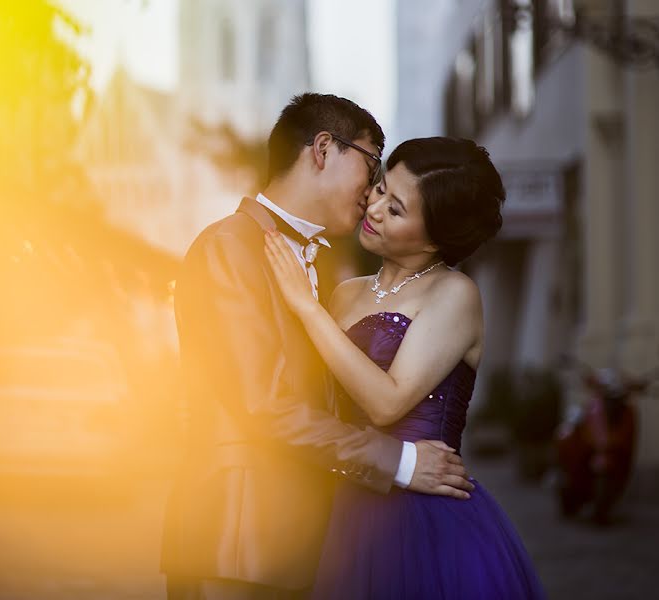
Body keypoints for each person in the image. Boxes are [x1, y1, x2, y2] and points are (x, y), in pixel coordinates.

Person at [161, 94, 474, 600]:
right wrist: (400, 461)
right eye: (372, 163)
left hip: (296, 546)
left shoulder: (316, 266)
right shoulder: (228, 247)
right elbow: (264, 403)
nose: (373, 189)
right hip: (235, 544)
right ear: (323, 149)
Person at [264, 136, 546, 599]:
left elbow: (386, 402)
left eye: (396, 210)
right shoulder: (346, 292)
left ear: (435, 237)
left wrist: (306, 309)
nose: (373, 209)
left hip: (423, 518)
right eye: (379, 189)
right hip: (342, 507)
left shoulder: (454, 294)